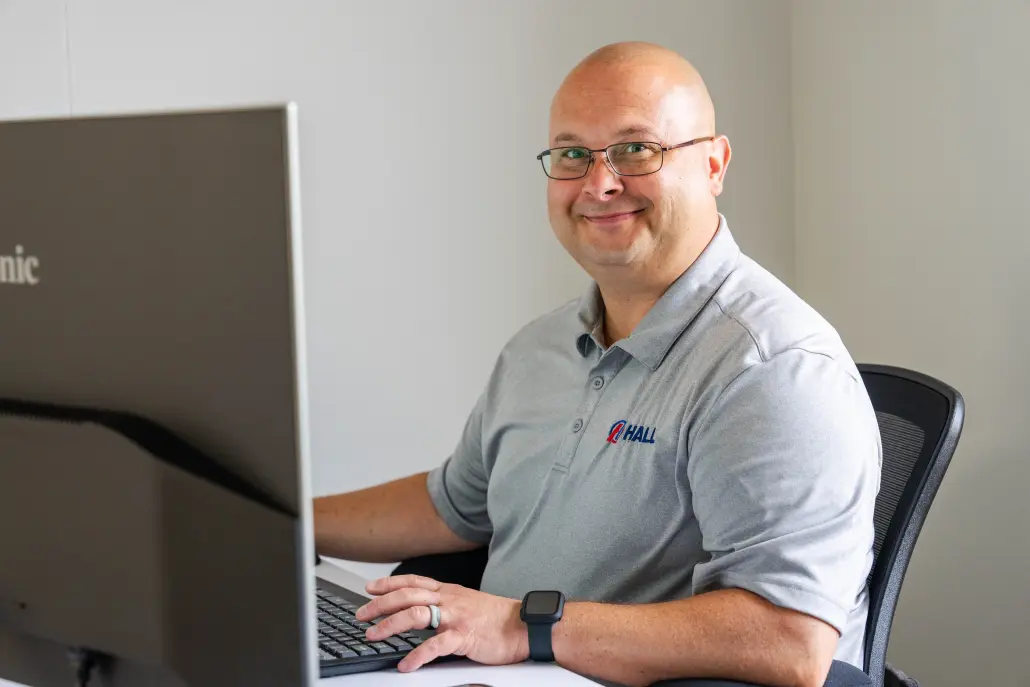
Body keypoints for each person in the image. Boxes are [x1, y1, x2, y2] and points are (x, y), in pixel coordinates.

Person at [314, 41, 881, 687]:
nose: (599, 183)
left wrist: (518, 626)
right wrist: (282, 523)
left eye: (636, 149)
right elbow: (454, 508)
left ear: (714, 164)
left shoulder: (773, 368)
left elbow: (789, 641)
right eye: (572, 155)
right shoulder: (539, 348)